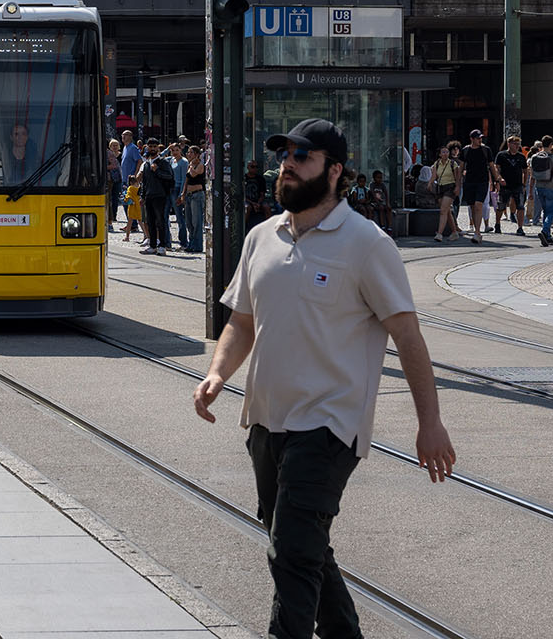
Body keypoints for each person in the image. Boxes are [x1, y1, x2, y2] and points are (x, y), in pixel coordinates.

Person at [193, 118, 455, 639]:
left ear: (335, 172)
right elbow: (242, 321)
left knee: (291, 549)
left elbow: (408, 338)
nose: (286, 165)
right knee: (300, 542)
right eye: (284, 156)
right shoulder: (260, 237)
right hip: (267, 421)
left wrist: (431, 423)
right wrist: (218, 373)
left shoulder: (367, 244)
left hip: (331, 427)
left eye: (301, 157)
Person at [527, 138, 553, 247]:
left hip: (538, 187)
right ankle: (544, 230)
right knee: (550, 212)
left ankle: (548, 237)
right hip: (550, 186)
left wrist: (530, 191)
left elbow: (532, 176)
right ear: (551, 144)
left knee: (545, 211)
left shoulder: (534, 157)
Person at [458, 130, 491, 243]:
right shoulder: (465, 150)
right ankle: (477, 231)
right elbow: (461, 168)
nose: (480, 140)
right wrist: (458, 184)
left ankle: (477, 232)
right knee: (472, 207)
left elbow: (491, 165)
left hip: (483, 181)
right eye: (477, 138)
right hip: (469, 182)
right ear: (472, 139)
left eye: (481, 138)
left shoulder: (486, 150)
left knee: (478, 205)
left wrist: (498, 179)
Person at [493, 136, 528, 237]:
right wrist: (499, 179)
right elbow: (496, 169)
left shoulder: (521, 157)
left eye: (518, 144)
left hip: (518, 185)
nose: (517, 146)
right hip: (505, 185)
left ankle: (520, 227)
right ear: (509, 144)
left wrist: (524, 184)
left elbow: (525, 171)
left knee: (520, 206)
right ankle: (497, 224)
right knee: (501, 206)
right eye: (515, 144)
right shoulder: (501, 155)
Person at [139, 151, 174, 255]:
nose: (152, 149)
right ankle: (152, 245)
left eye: (155, 147)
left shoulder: (163, 162)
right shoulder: (146, 164)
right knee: (150, 222)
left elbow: (169, 176)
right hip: (149, 195)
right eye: (150, 146)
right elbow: (144, 182)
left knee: (160, 221)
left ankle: (162, 245)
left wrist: (157, 170)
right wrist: (143, 196)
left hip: (160, 195)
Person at [180, 145, 207, 254]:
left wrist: (191, 165)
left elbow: (193, 174)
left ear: (197, 155)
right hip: (189, 195)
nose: (188, 154)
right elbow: (186, 180)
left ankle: (197, 245)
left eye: (191, 152)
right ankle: (191, 243)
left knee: (197, 221)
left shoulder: (200, 166)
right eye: (188, 152)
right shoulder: (190, 165)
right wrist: (183, 193)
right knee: (189, 222)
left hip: (197, 195)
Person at [430, 144, 460, 241]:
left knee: (443, 210)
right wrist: (429, 183)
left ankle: (439, 234)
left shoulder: (453, 164)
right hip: (440, 188)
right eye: (443, 152)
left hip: (450, 187)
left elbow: (457, 177)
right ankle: (454, 232)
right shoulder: (437, 164)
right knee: (446, 211)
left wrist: (458, 187)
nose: (445, 154)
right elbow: (434, 176)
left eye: (447, 152)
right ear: (439, 154)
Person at [243, 159, 270, 231]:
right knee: (247, 207)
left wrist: (258, 203)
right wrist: (252, 203)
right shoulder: (244, 178)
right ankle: (243, 228)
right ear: (248, 167)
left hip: (258, 201)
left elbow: (262, 194)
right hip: (247, 201)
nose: (255, 169)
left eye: (256, 167)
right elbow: (243, 195)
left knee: (266, 207)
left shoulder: (260, 179)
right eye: (252, 167)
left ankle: (269, 228)